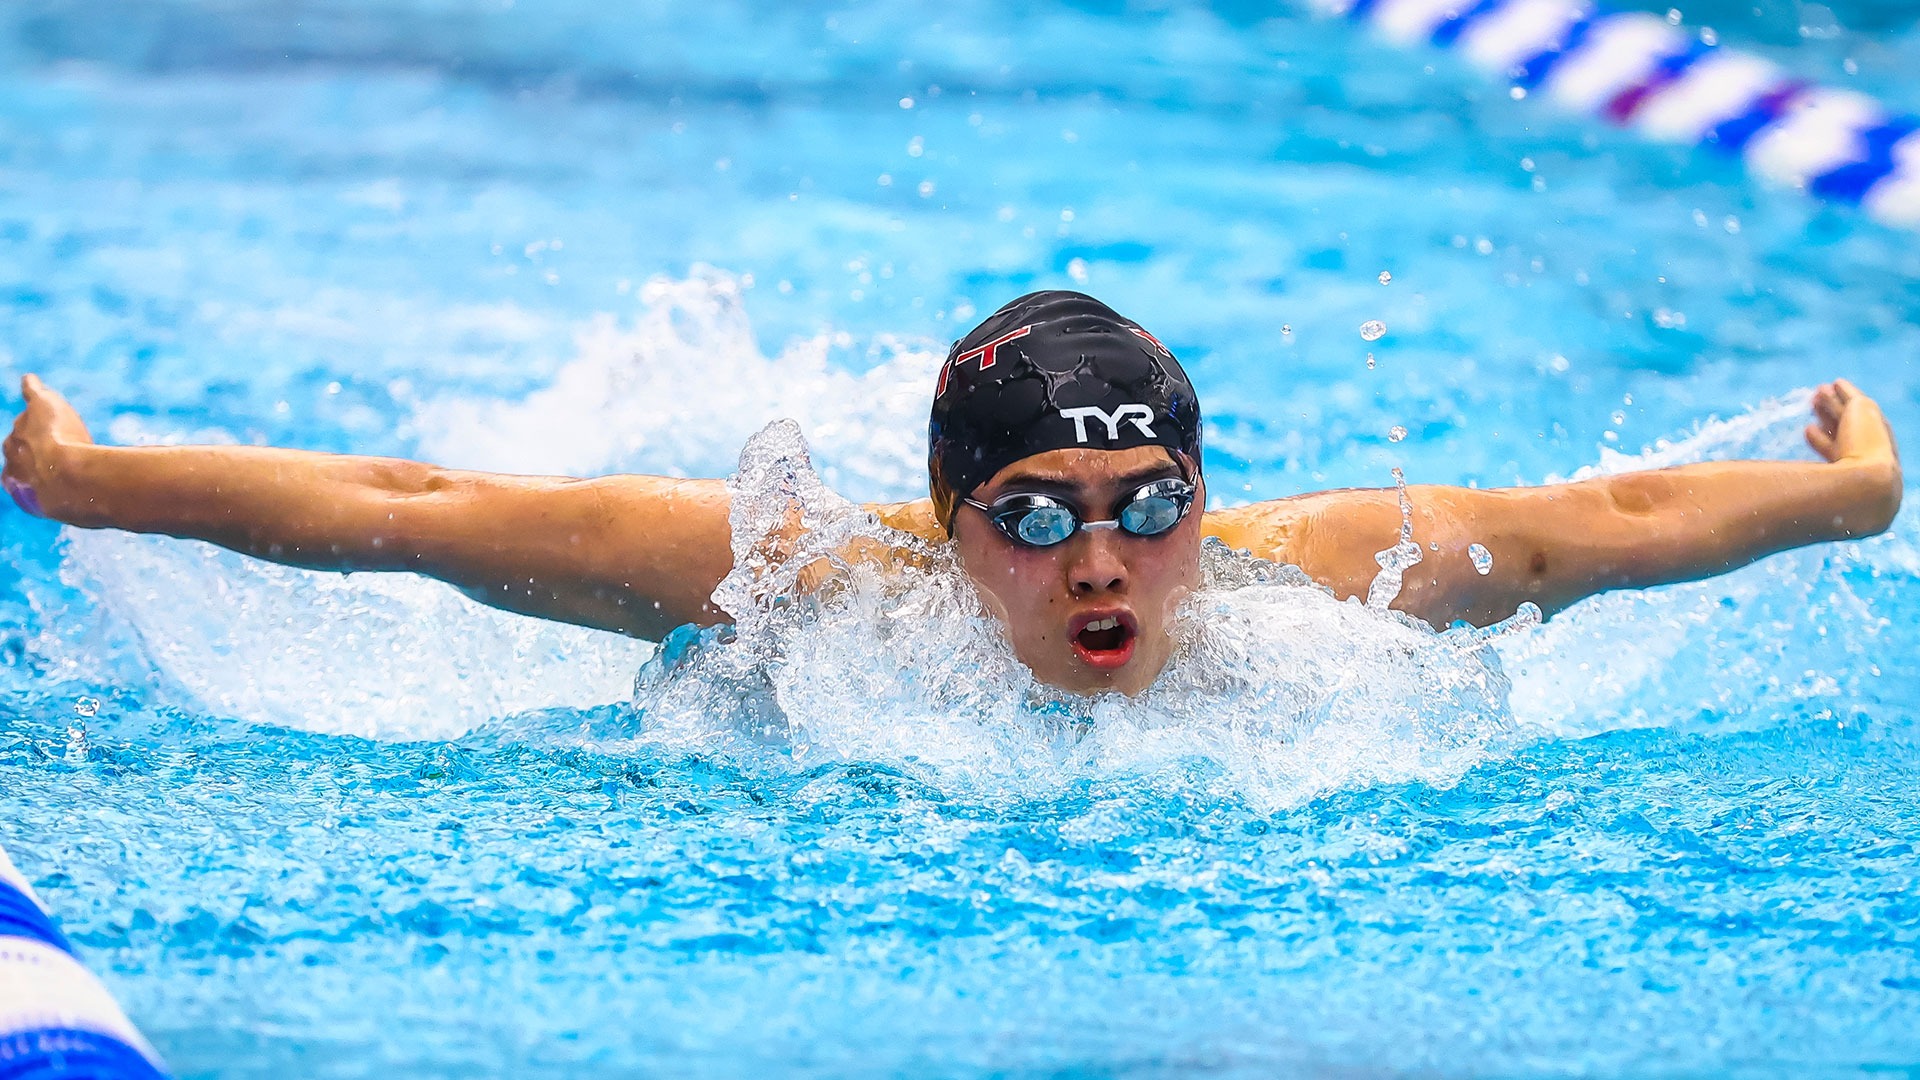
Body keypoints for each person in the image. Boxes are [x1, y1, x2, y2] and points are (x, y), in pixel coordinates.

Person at [2, 291, 1903, 697]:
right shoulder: (805, 584)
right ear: (951, 520)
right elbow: (412, 503)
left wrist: (1858, 497)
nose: (1106, 562)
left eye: (1148, 506)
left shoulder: (1325, 582)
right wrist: (81, 479)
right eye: (1039, 516)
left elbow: (1631, 532)